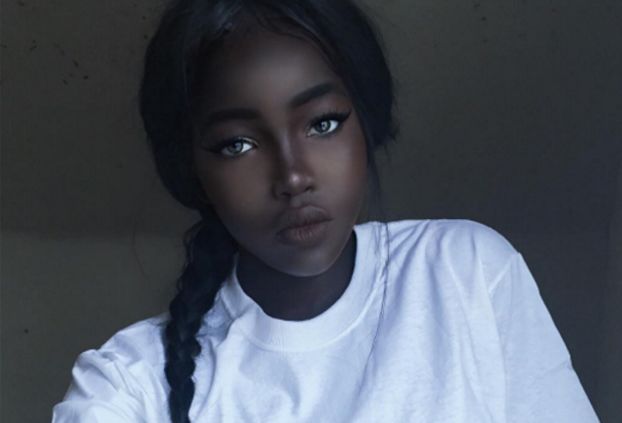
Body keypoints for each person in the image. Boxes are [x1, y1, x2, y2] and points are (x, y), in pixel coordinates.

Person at [51, 0, 598, 422]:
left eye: (323, 123)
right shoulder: (129, 384)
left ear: (367, 121)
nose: (293, 177)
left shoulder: (465, 275)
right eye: (238, 144)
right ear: (190, 169)